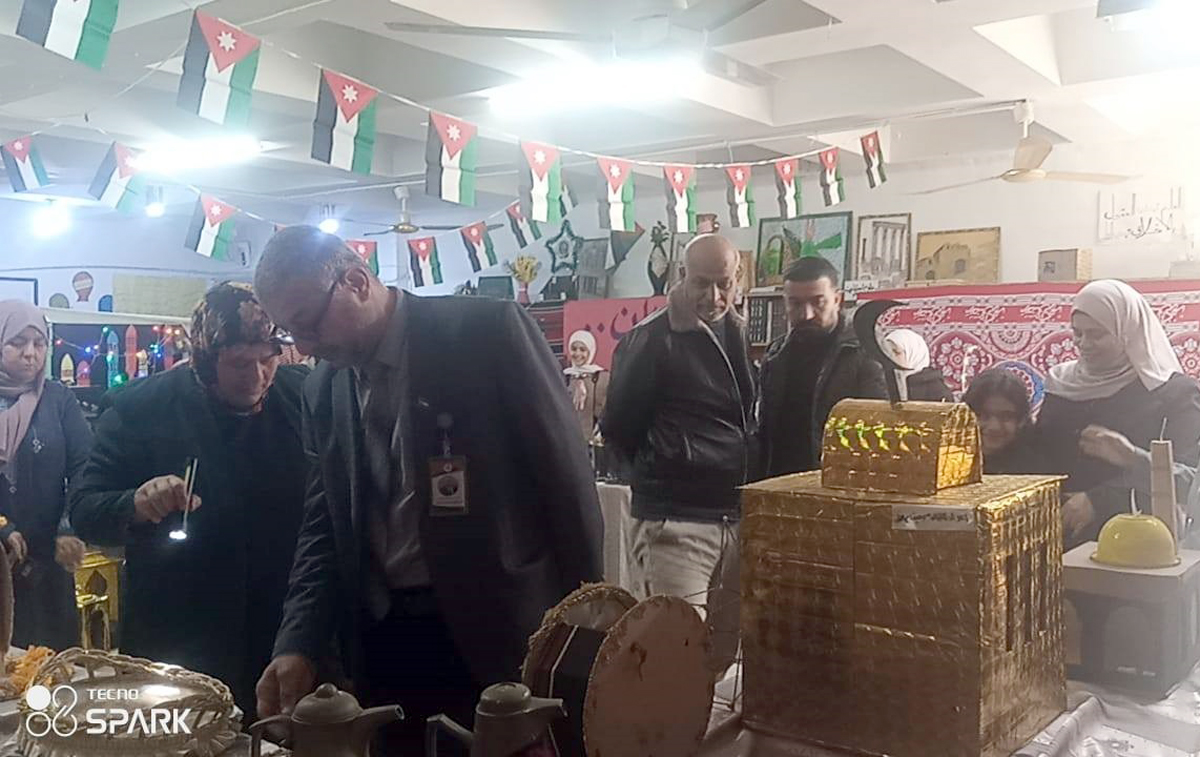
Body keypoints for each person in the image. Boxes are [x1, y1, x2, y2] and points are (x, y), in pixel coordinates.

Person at [250, 226, 603, 753]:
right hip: (385, 646)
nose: (303, 347)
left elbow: (568, 487)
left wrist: (586, 629)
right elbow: (324, 529)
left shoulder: (486, 335)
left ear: (356, 281)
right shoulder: (323, 389)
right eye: (289, 333)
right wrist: (296, 642)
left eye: (310, 323)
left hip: (501, 636)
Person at [70, 283, 309, 720]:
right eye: (240, 363)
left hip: (283, 627)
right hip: (180, 632)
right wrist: (136, 503)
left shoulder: (301, 397)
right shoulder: (140, 408)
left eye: (267, 359)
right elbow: (85, 509)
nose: (257, 376)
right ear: (204, 358)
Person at [601, 234, 753, 674]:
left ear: (738, 277)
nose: (714, 296)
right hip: (675, 521)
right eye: (702, 283)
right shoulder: (650, 338)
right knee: (672, 653)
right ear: (682, 275)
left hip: (732, 517)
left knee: (722, 653)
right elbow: (618, 429)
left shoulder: (738, 332)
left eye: (724, 283)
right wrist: (667, 476)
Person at [1036, 279, 1200, 547]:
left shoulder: (1173, 393)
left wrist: (1105, 494)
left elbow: (1189, 483)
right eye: (1078, 333)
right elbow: (1040, 454)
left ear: (1127, 332)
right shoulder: (1061, 383)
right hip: (1051, 534)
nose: (1084, 343)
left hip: (1132, 538)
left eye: (1097, 334)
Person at [0, 301, 90, 651]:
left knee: (54, 660)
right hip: (3, 559)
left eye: (39, 343)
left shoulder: (58, 400)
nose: (30, 353)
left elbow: (84, 465)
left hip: (50, 556)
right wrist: (3, 527)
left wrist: (69, 526)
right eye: (17, 342)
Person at [758, 257, 888, 478]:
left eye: (818, 302)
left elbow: (881, 430)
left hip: (838, 482)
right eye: (795, 304)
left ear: (837, 299)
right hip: (778, 481)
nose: (806, 314)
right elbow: (765, 430)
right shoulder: (775, 353)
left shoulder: (866, 352)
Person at [963, 368, 1039, 474]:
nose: (994, 427)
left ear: (1021, 420)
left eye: (1006, 416)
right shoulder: (946, 460)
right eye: (983, 415)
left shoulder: (1035, 469)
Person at [564, 330, 609, 446]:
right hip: (568, 442)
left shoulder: (602, 377)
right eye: (574, 349)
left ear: (590, 350)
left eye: (583, 350)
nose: (577, 354)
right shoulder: (563, 377)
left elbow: (608, 411)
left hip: (593, 443)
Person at [883, 328, 953, 402]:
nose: (891, 357)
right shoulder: (884, 382)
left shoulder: (937, 390)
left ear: (913, 354)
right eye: (887, 352)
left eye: (897, 353)